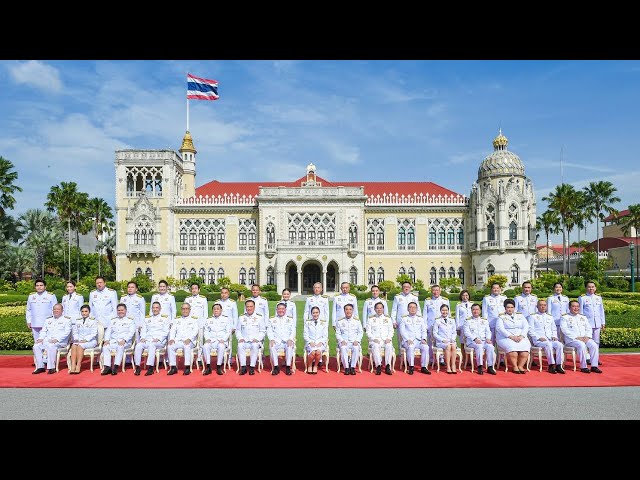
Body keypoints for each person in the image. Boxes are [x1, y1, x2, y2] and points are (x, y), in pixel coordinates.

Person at [560, 300, 602, 373]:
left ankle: (594, 366)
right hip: (572, 340)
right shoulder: (565, 317)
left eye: (577, 306)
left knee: (594, 345)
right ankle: (583, 367)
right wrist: (576, 337)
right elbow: (564, 329)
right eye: (573, 306)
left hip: (584, 338)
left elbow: (588, 328)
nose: (576, 308)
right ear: (569, 308)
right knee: (581, 345)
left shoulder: (583, 317)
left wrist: (588, 336)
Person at [32, 303, 72, 374]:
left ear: (62, 310)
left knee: (51, 346)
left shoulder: (66, 320)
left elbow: (67, 332)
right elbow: (43, 330)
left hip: (60, 342)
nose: (56, 311)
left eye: (58, 309)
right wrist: (41, 338)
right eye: (54, 309)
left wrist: (57, 339)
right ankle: (40, 367)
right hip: (48, 340)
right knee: (36, 346)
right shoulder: (48, 320)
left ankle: (51, 367)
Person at [528, 299, 565, 374]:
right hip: (539, 340)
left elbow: (553, 328)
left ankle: (559, 365)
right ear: (537, 306)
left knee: (559, 344)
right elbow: (530, 330)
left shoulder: (549, 316)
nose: (543, 307)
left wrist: (554, 336)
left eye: (544, 305)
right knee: (548, 344)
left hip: (550, 339)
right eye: (541, 305)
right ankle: (551, 365)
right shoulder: (533, 316)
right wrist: (538, 337)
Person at [133, 301, 170, 376]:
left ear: (160, 309)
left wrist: (159, 338)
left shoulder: (164, 318)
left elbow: (166, 331)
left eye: (157, 308)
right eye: (153, 307)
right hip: (148, 339)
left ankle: (150, 367)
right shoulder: (147, 318)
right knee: (138, 345)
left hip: (159, 341)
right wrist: (143, 337)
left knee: (152, 345)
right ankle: (137, 366)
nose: (155, 309)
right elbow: (144, 329)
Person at [495, 299, 531, 374]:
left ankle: (520, 366)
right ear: (505, 308)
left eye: (512, 307)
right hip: (505, 337)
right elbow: (500, 329)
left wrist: (521, 336)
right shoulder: (501, 317)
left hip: (520, 336)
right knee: (512, 349)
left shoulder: (520, 315)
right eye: (508, 307)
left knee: (525, 349)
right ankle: (514, 366)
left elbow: (526, 326)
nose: (510, 309)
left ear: (514, 308)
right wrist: (511, 336)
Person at [100, 303, 136, 376]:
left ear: (126, 311)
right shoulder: (113, 320)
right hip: (114, 341)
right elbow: (108, 331)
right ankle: (107, 366)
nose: (120, 312)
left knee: (120, 346)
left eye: (122, 310)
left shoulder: (130, 321)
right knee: (105, 346)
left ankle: (116, 366)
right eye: (119, 310)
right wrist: (106, 340)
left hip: (125, 342)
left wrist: (124, 340)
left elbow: (131, 332)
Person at [463, 303, 496, 375]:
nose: (475, 311)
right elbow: (466, 332)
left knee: (490, 346)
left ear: (480, 311)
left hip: (484, 340)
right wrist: (474, 339)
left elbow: (488, 331)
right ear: (471, 311)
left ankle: (490, 367)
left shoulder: (484, 320)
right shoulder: (467, 320)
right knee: (479, 346)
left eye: (477, 309)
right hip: (472, 341)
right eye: (473, 310)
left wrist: (488, 338)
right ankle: (480, 366)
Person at [167, 303, 199, 376]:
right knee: (170, 346)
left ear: (189, 310)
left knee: (187, 346)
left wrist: (190, 339)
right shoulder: (177, 320)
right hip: (178, 340)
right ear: (181, 310)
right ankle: (173, 367)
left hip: (189, 341)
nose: (185, 310)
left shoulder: (194, 320)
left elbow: (195, 331)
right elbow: (173, 330)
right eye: (183, 309)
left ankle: (187, 367)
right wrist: (172, 339)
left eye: (187, 309)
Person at [391, 281, 421, 359]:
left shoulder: (414, 297)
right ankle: (402, 357)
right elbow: (394, 310)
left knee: (411, 338)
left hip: (412, 321)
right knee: (401, 339)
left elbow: (418, 310)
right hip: (401, 321)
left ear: (410, 288)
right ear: (402, 288)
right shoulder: (397, 297)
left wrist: (420, 320)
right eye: (404, 287)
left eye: (408, 287)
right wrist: (393, 321)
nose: (406, 288)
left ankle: (410, 357)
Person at [236, 299, 266, 375]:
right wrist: (240, 338)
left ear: (254, 307)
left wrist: (258, 339)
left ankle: (252, 367)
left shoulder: (259, 317)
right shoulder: (241, 317)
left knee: (255, 345)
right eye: (247, 306)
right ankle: (243, 367)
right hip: (245, 340)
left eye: (251, 306)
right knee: (240, 346)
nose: (249, 308)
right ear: (245, 307)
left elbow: (263, 331)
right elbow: (238, 330)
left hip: (255, 341)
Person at [398, 301, 430, 375]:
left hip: (419, 340)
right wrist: (407, 339)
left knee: (426, 347)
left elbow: (423, 330)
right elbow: (402, 331)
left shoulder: (420, 319)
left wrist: (424, 339)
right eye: (410, 307)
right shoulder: (404, 319)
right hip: (408, 341)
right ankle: (411, 366)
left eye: (414, 307)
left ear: (417, 309)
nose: (412, 309)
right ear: (408, 309)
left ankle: (424, 367)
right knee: (411, 346)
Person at [202, 302, 232, 376]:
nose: (216, 310)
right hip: (211, 340)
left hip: (221, 340)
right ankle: (208, 366)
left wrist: (224, 339)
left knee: (221, 346)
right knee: (205, 346)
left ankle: (219, 366)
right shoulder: (209, 319)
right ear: (212, 311)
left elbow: (228, 331)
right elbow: (206, 330)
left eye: (218, 309)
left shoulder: (226, 319)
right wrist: (207, 338)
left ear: (221, 310)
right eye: (214, 309)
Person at [578, 281, 606, 361]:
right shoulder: (582, 298)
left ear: (595, 288)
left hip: (597, 323)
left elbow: (601, 311)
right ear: (586, 288)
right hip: (587, 324)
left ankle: (595, 358)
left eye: (593, 287)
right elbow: (581, 312)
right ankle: (587, 357)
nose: (591, 288)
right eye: (589, 287)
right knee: (586, 341)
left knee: (596, 341)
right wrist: (581, 323)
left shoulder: (598, 297)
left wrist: (603, 322)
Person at [267, 302, 296, 375]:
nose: (281, 310)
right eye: (279, 309)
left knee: (289, 346)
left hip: (287, 340)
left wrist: (290, 339)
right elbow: (269, 330)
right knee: (272, 345)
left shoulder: (290, 319)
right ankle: (276, 367)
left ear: (285, 310)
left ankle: (288, 367)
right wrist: (271, 339)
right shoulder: (272, 319)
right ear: (276, 310)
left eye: (282, 309)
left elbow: (293, 330)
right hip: (276, 341)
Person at [69, 304, 99, 374]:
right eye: (82, 311)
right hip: (79, 340)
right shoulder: (78, 321)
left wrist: (86, 339)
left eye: (86, 311)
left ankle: (79, 365)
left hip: (90, 341)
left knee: (80, 346)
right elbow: (75, 332)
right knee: (73, 345)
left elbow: (94, 333)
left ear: (89, 312)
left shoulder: (93, 321)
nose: (84, 313)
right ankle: (73, 365)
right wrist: (76, 339)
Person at [367, 301, 395, 375]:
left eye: (381, 308)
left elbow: (391, 330)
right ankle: (378, 366)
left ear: (383, 309)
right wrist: (373, 339)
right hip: (375, 339)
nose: (379, 310)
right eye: (377, 308)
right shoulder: (371, 319)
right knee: (375, 346)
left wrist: (389, 338)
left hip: (385, 339)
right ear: (375, 309)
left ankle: (387, 366)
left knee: (389, 345)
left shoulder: (388, 319)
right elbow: (368, 332)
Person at [26, 278, 57, 343]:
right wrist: (28, 321)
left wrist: (54, 321)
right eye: (37, 285)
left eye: (41, 285)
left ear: (45, 287)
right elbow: (28, 310)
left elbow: (55, 310)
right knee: (37, 343)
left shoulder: (51, 296)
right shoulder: (31, 296)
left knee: (47, 342)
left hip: (47, 323)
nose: (39, 287)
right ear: (35, 287)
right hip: (35, 323)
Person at [335, 304, 363, 375]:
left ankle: (353, 367)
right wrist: (341, 340)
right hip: (344, 342)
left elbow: (360, 332)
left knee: (356, 348)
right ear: (344, 311)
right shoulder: (340, 321)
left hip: (354, 341)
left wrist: (357, 340)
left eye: (350, 309)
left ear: (352, 310)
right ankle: (346, 368)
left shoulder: (357, 321)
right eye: (346, 309)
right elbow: (337, 333)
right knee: (343, 348)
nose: (348, 311)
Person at [433, 304, 458, 374]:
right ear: (440, 311)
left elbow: (454, 332)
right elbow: (435, 333)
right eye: (443, 310)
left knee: (453, 346)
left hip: (450, 340)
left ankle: (453, 365)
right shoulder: (437, 321)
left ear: (448, 311)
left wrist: (453, 339)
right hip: (441, 342)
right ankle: (448, 367)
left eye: (446, 310)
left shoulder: (452, 320)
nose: (445, 312)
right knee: (448, 346)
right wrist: (442, 339)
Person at [303, 306, 328, 374]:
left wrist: (321, 342)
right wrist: (310, 342)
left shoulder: (324, 322)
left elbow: (325, 335)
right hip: (310, 342)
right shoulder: (307, 322)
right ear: (311, 314)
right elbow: (305, 335)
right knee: (313, 352)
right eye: (313, 313)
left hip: (320, 342)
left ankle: (315, 366)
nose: (315, 314)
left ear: (319, 313)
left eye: (317, 312)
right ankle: (310, 365)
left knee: (318, 352)